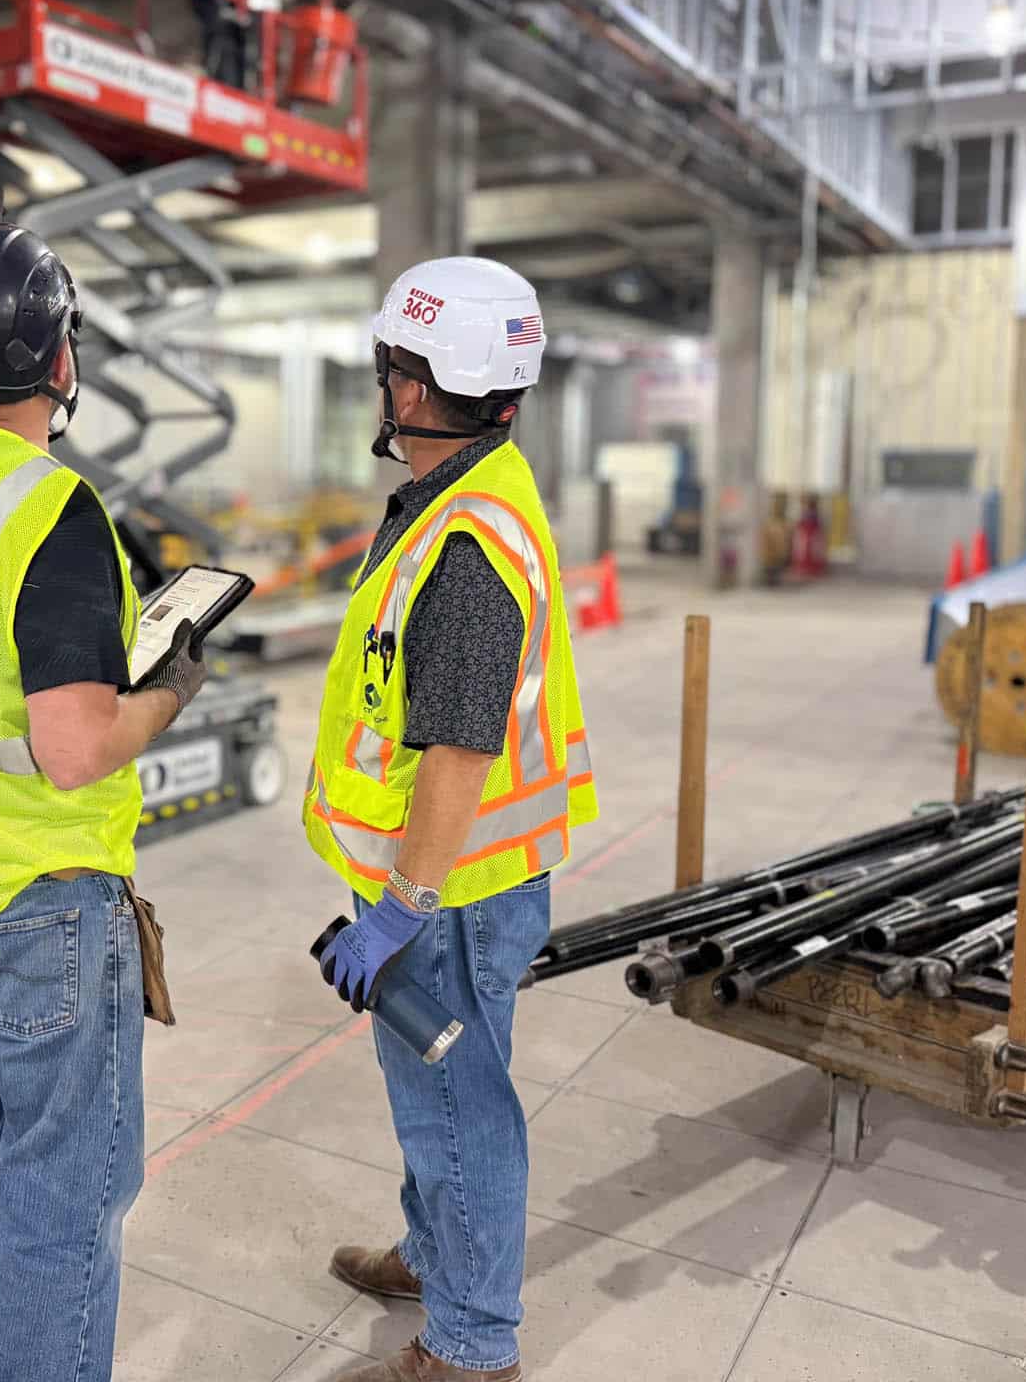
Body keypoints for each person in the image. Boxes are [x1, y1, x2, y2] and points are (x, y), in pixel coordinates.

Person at [0, 218, 206, 1382]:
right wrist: (166, 691)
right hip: (44, 917)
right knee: (62, 1207)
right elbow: (74, 747)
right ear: (64, 363)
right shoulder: (52, 513)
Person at [304, 258, 599, 1382]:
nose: (380, 388)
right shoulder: (460, 491)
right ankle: (436, 1257)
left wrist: (399, 907)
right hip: (450, 881)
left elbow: (463, 749)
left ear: (418, 393)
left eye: (389, 369)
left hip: (453, 890)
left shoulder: (468, 543)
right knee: (436, 1093)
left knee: (459, 1107)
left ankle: (474, 1345)